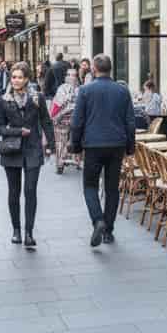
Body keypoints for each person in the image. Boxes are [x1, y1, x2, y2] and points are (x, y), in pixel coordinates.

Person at [69, 54, 136, 247]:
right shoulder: (123, 91)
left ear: (94, 70)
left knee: (90, 185)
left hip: (93, 145)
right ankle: (108, 230)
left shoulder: (85, 90)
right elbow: (130, 122)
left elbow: (76, 122)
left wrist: (76, 146)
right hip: (116, 145)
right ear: (111, 69)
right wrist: (130, 147)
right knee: (112, 188)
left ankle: (98, 220)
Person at [0, 61, 54, 249]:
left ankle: (29, 232)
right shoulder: (3, 100)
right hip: (12, 150)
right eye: (13, 77)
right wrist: (17, 131)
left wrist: (51, 144)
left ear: (27, 79)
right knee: (14, 192)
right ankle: (16, 230)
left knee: (30, 191)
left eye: (20, 77)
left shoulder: (37, 97)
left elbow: (46, 121)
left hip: (33, 149)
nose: (16, 80)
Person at [52, 68, 82, 174]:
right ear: (66, 77)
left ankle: (75, 161)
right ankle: (61, 164)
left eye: (73, 75)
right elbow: (57, 105)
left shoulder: (79, 89)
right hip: (64, 120)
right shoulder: (63, 89)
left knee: (72, 141)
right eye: (69, 75)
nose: (71, 77)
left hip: (72, 120)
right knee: (61, 142)